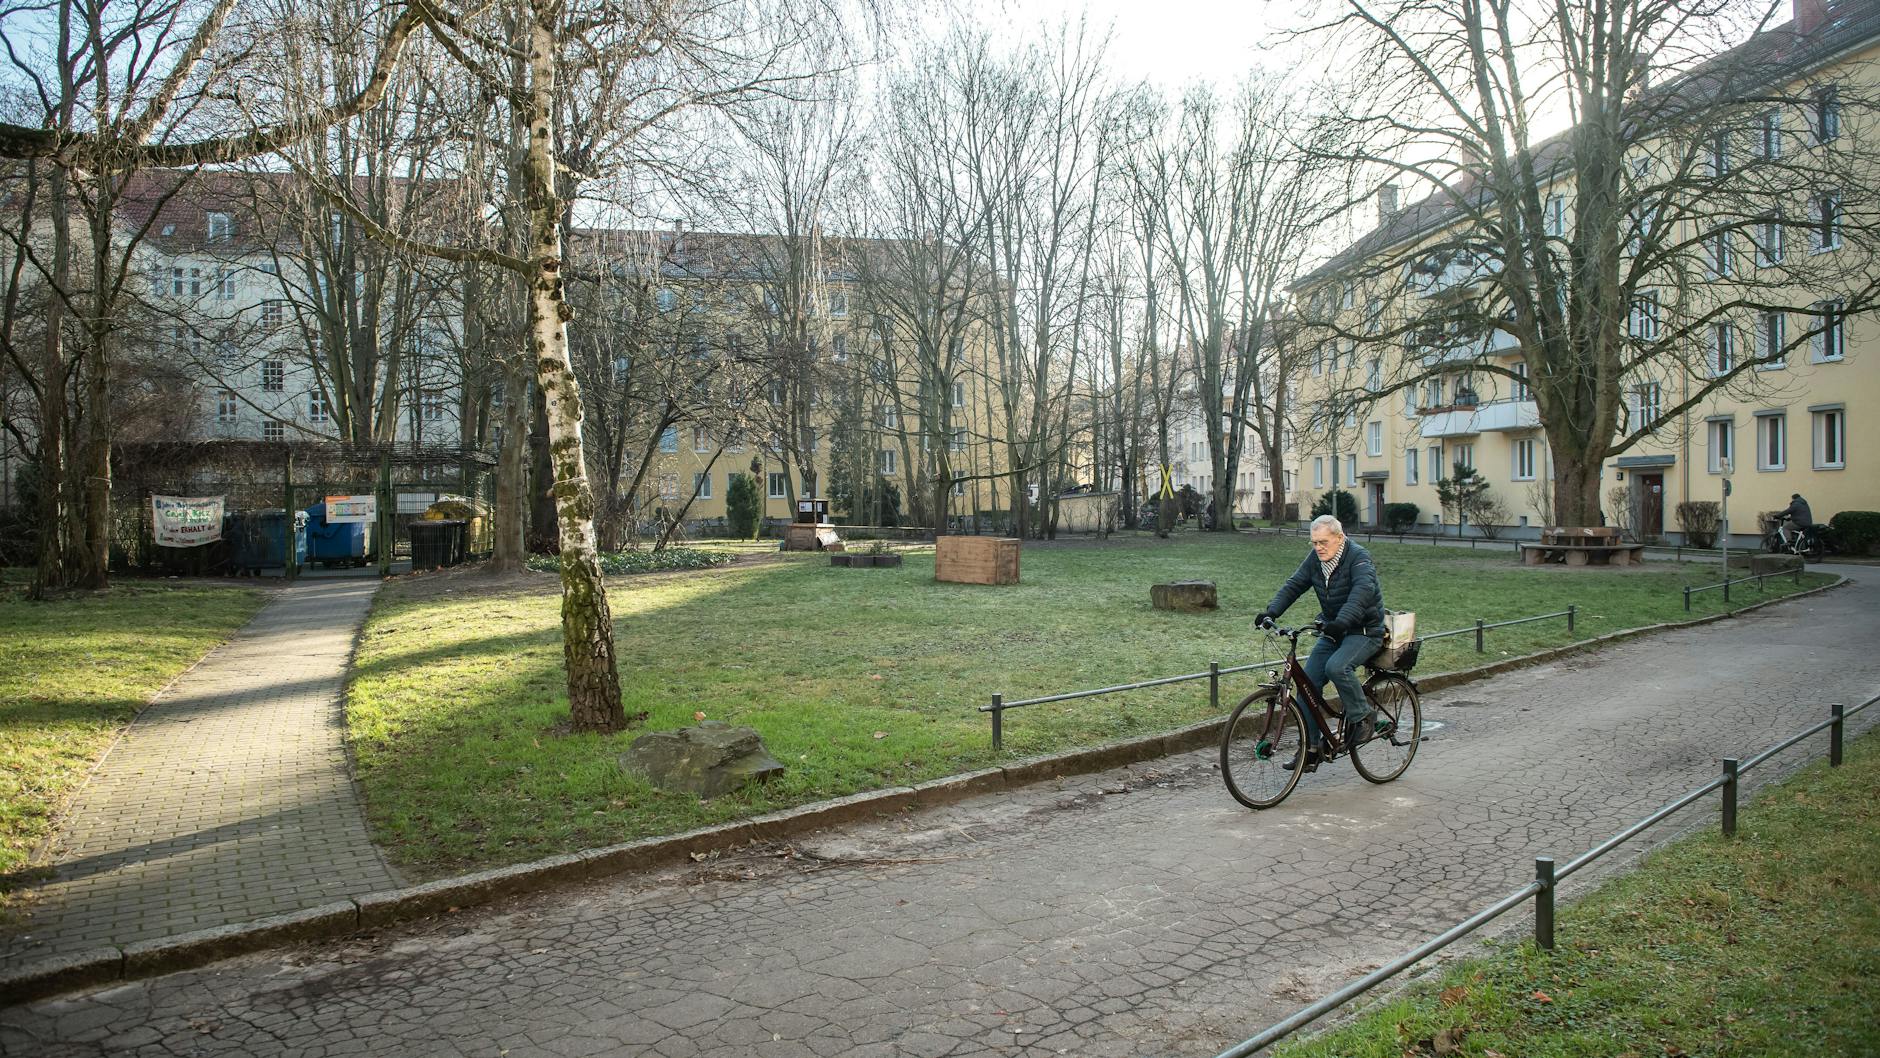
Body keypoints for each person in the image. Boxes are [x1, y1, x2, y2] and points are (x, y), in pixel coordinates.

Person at [1256, 515, 1387, 770]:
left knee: (1337, 667)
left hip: (1364, 630)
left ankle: (1363, 717)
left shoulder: (1359, 558)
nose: (1319, 547)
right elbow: (1295, 585)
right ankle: (1311, 748)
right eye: (1314, 542)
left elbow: (1361, 593)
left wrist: (1341, 621)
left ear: (1340, 538)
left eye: (1324, 542)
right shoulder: (1316, 560)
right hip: (1333, 629)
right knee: (1307, 684)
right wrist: (1271, 612)